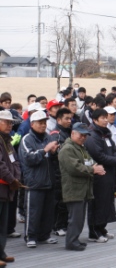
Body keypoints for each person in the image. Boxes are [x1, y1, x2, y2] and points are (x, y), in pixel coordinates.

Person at [58, 123, 106, 251]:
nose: (83, 137)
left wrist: (97, 167)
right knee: (75, 218)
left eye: (85, 135)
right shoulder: (67, 149)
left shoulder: (80, 148)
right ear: (73, 133)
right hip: (74, 189)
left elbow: (90, 161)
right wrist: (93, 169)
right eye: (81, 135)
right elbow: (75, 168)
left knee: (79, 218)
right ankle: (71, 242)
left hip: (83, 189)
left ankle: (74, 240)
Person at [19, 110, 59, 248]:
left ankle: (45, 235)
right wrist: (45, 150)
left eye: (44, 123)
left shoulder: (48, 137)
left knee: (48, 212)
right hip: (34, 182)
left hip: (48, 181)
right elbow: (29, 158)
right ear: (32, 124)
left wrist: (54, 153)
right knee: (33, 212)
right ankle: (31, 236)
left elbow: (53, 158)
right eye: (40, 123)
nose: (43, 125)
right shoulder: (26, 139)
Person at [84, 109, 116, 243]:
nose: (106, 120)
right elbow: (98, 155)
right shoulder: (92, 135)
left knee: (106, 202)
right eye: (103, 118)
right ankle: (93, 232)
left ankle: (101, 228)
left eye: (106, 117)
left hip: (109, 172)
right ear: (95, 120)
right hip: (99, 174)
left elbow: (113, 149)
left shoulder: (105, 134)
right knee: (97, 203)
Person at [0, 111, 21, 265]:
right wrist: (12, 179)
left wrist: (17, 177)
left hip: (7, 188)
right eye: (6, 122)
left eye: (11, 122)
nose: (9, 125)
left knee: (3, 224)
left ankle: (1, 252)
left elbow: (15, 162)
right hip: (2, 186)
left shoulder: (7, 140)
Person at [48, 108, 73, 237]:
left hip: (66, 172)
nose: (69, 121)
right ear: (58, 120)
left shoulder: (68, 132)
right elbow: (58, 155)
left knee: (65, 200)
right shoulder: (56, 134)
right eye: (66, 119)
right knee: (59, 201)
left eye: (70, 118)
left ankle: (63, 224)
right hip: (58, 172)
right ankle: (57, 226)